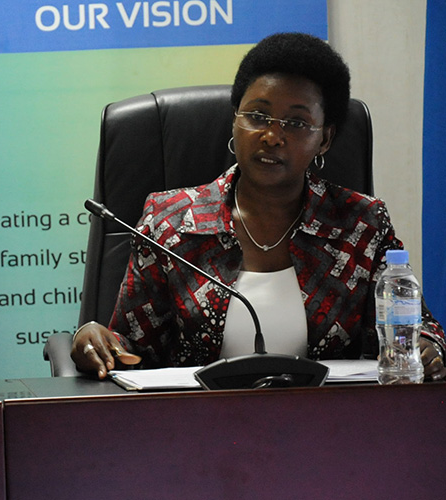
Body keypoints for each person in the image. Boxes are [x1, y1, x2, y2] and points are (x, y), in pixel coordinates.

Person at [71, 32, 446, 381]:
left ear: (325, 139)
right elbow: (131, 347)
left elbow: (418, 330)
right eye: (258, 116)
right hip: (197, 428)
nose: (272, 136)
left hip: (331, 427)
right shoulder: (170, 221)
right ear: (235, 121)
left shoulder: (360, 224)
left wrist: (428, 349)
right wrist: (94, 337)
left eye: (296, 123)